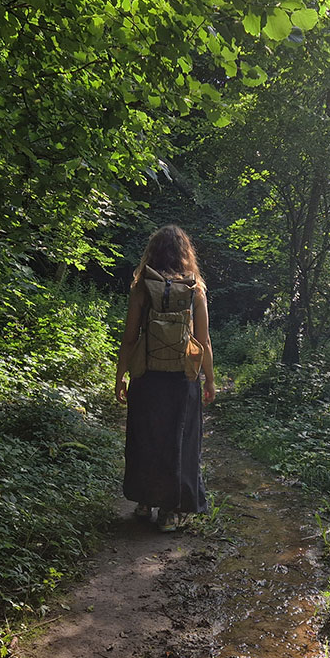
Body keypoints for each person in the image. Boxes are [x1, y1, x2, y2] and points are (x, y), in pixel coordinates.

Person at [115, 225, 215, 531]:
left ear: (152, 251)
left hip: (146, 375)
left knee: (146, 437)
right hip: (183, 377)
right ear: (186, 253)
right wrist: (209, 379)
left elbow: (130, 338)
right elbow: (204, 339)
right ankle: (173, 512)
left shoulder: (142, 287)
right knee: (181, 441)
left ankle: (145, 503)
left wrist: (120, 377)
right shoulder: (194, 288)